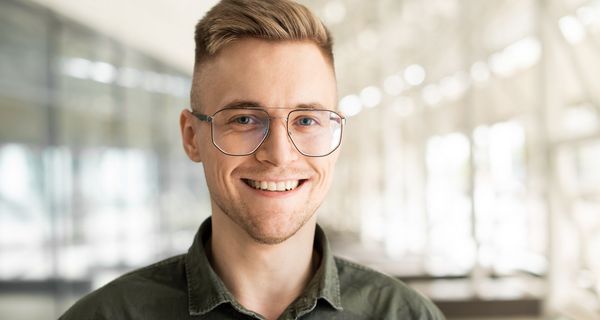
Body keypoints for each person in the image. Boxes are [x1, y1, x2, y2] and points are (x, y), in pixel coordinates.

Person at [60, 0, 445, 319]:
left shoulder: (405, 315)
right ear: (192, 137)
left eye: (307, 120)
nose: (279, 154)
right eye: (244, 119)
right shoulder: (106, 316)